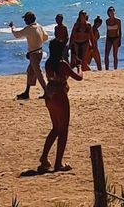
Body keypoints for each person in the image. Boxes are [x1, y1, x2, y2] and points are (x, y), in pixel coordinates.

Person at [38, 38, 82, 174]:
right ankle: (58, 163)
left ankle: (44, 157)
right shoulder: (62, 64)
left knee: (55, 129)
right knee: (63, 131)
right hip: (60, 96)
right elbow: (78, 77)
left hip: (50, 96)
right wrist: (79, 66)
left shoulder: (49, 63)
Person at [10, 11, 47, 100]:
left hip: (34, 54)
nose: (24, 21)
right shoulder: (39, 26)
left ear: (28, 20)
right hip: (39, 52)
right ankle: (27, 92)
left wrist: (12, 27)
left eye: (25, 19)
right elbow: (45, 37)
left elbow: (16, 34)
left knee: (38, 73)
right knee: (30, 71)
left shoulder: (28, 29)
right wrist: (37, 42)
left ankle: (47, 91)